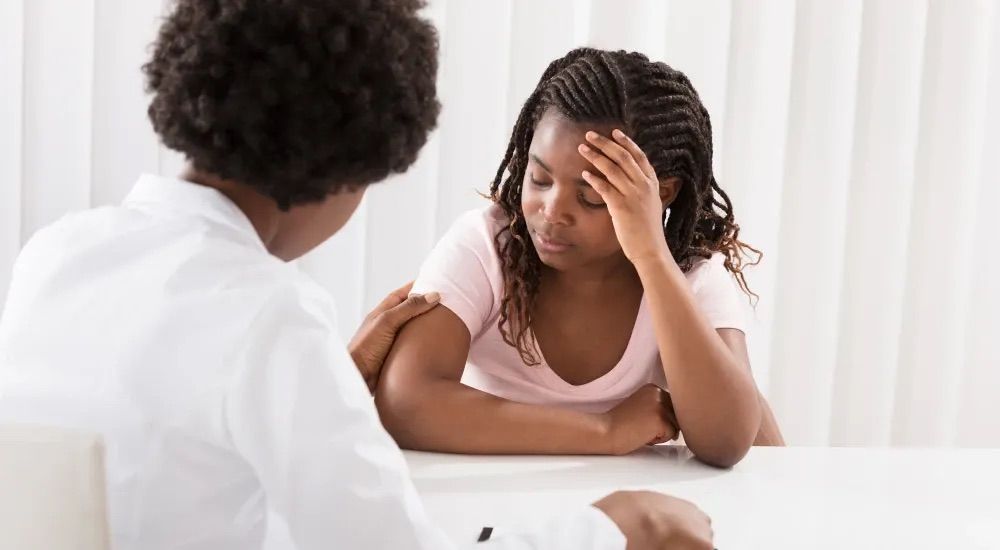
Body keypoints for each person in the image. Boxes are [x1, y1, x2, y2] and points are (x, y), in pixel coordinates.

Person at [0, 2, 713, 549]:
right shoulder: (267, 315)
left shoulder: (54, 255)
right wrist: (613, 527)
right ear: (342, 167)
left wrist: (328, 382)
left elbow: (181, 472)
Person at [376, 47, 785, 468]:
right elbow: (405, 401)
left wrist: (650, 256)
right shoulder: (485, 246)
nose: (552, 211)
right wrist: (605, 431)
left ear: (661, 193)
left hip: (638, 513)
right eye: (539, 179)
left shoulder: (689, 276)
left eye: (591, 198)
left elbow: (727, 442)